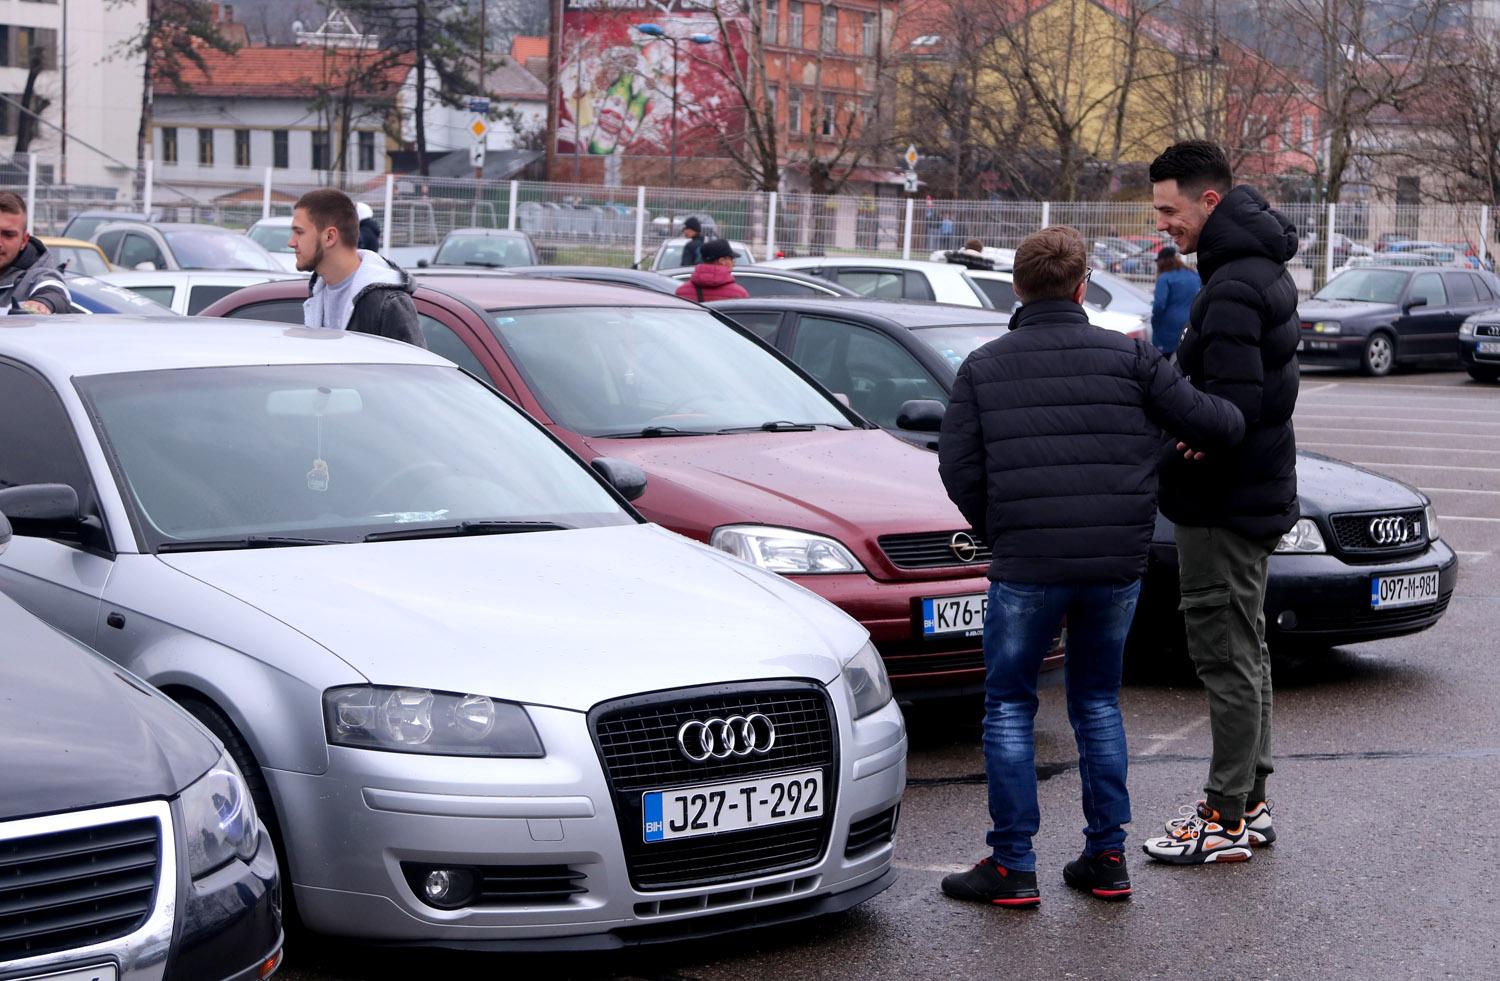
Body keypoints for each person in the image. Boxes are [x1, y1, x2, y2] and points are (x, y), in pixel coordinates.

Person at [936, 225, 1245, 907]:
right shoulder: (1131, 359)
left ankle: (1013, 864)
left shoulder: (985, 366)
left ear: (1017, 287)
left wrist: (1002, 528)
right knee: (1098, 703)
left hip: (1025, 562)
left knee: (1010, 705)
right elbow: (1219, 423)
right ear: (1082, 287)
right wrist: (1156, 464)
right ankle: (1107, 855)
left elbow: (957, 467)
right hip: (1115, 562)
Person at [1140, 140, 1300, 866]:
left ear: (1210, 201)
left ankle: (1225, 815)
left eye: (1170, 210)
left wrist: (1181, 425)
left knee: (1226, 658)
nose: (1162, 225)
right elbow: (1256, 400)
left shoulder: (1232, 284)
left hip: (1222, 503)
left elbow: (1229, 411)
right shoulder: (1255, 267)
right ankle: (1250, 803)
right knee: (1248, 650)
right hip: (1251, 493)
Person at [289, 188, 425, 347]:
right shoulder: (317, 293)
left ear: (330, 237)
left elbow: (414, 371)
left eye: (299, 232)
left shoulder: (387, 303)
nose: (291, 242)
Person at [0, 192, 69, 315]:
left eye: (8, 235)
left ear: (24, 241)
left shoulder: (37, 276)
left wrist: (41, 304)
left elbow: (53, 289)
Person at [1151, 244, 1199, 355]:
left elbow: (1159, 305)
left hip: (1167, 328)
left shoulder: (1165, 278)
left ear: (1162, 261)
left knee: (1163, 364)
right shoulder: (1193, 275)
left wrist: (1155, 321)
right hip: (1189, 324)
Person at [675, 238, 749, 301]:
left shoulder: (681, 292)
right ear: (722, 261)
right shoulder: (738, 294)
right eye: (732, 259)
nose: (734, 263)